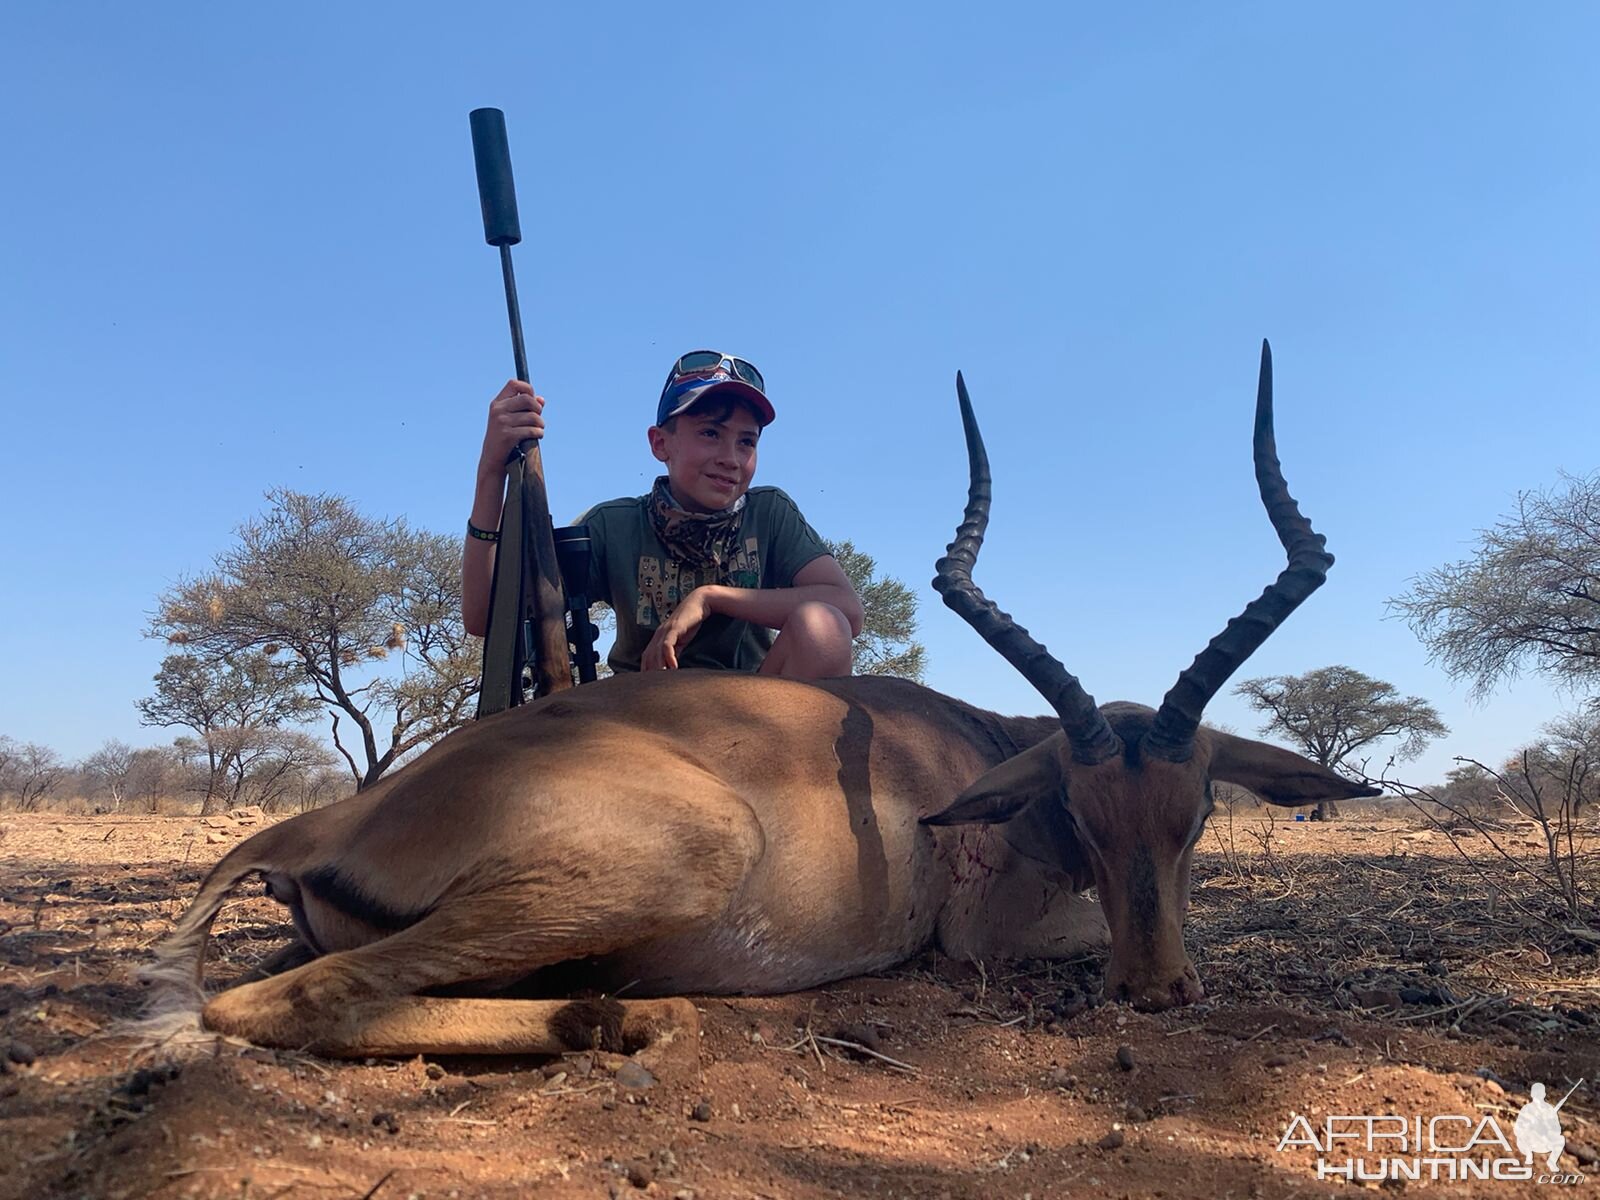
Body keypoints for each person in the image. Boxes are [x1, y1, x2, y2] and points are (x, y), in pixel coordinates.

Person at [463, 350, 863, 680]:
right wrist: (491, 470)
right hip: (642, 718)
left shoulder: (771, 512)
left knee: (822, 628)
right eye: (710, 433)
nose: (730, 459)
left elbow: (847, 610)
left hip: (752, 710)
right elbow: (485, 619)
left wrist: (710, 598)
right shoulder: (612, 525)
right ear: (660, 444)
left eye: (747, 442)